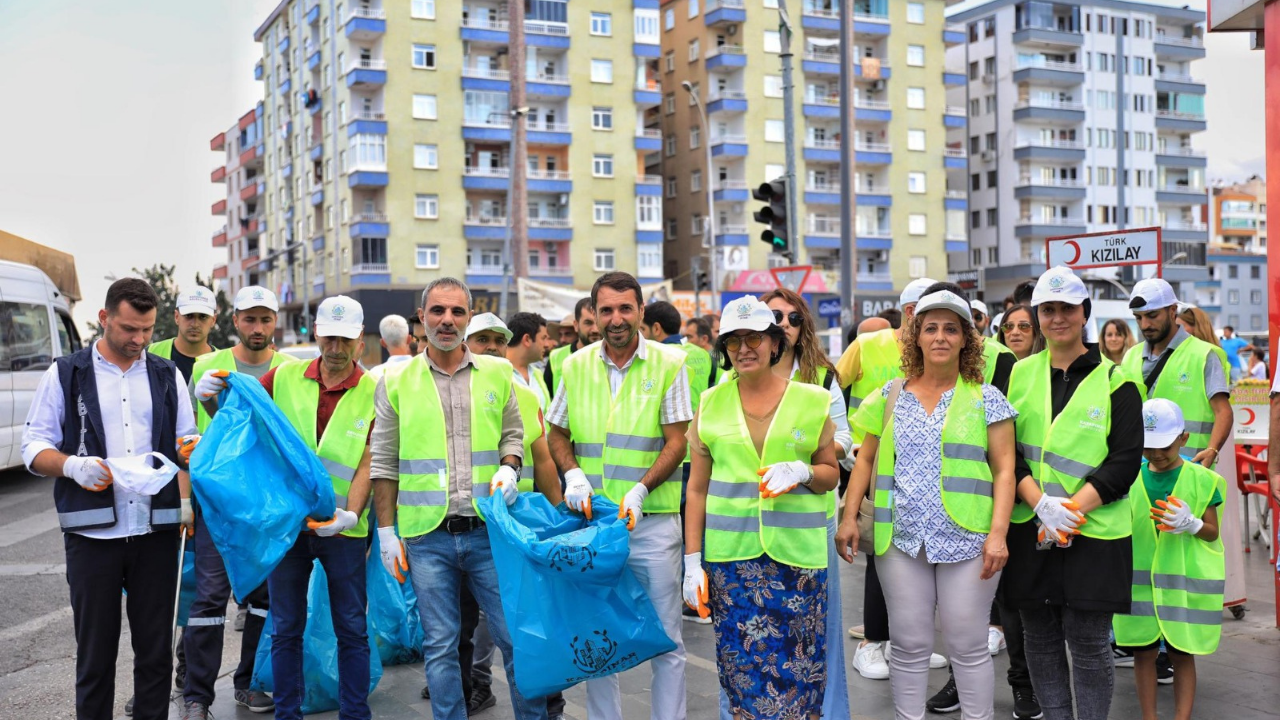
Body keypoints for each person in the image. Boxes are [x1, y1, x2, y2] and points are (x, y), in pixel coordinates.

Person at [836, 289, 1017, 720]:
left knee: (968, 645)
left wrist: (998, 535)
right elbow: (865, 458)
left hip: (969, 542)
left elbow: (1006, 470)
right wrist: (848, 516)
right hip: (902, 540)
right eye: (930, 328)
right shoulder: (890, 395)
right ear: (915, 336)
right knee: (910, 644)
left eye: (951, 329)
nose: (940, 337)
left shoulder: (986, 398)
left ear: (965, 340)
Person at [21, 277, 197, 720]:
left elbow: (185, 440)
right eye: (128, 329)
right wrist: (71, 466)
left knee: (155, 655)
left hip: (156, 532)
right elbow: (33, 447)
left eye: (147, 330)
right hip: (91, 534)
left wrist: (191, 454)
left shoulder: (166, 374)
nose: (139, 340)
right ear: (103, 318)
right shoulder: (67, 373)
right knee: (95, 658)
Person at [371, 278, 547, 720]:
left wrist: (510, 464)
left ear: (468, 319)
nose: (447, 320)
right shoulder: (397, 380)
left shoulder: (498, 372)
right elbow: (384, 462)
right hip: (427, 537)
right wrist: (388, 532)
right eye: (437, 311)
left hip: (490, 531)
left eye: (456, 312)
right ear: (422, 318)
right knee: (441, 644)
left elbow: (513, 433)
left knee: (515, 637)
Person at [215, 295, 376, 720]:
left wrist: (352, 514)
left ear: (361, 340)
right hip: (288, 529)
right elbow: (244, 414)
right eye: (328, 339)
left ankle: (355, 714)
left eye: (345, 340)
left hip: (342, 530)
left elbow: (370, 458)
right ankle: (287, 714)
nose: (336, 349)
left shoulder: (376, 391)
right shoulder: (283, 378)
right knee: (286, 628)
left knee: (352, 630)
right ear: (316, 335)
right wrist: (213, 395)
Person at [683, 296, 840, 720]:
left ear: (775, 343)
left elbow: (831, 473)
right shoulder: (710, 403)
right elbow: (696, 489)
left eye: (754, 337)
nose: (744, 348)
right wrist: (692, 561)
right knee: (742, 675)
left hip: (799, 562)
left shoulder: (811, 400)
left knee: (801, 674)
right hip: (732, 564)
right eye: (733, 341)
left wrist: (803, 472)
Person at [547, 272, 692, 720]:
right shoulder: (574, 365)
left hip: (651, 525)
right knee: (596, 639)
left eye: (625, 308)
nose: (615, 319)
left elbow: (677, 441)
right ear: (593, 314)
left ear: (641, 312)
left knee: (667, 638)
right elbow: (557, 433)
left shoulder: (670, 363)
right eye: (605, 310)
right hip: (595, 528)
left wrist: (642, 488)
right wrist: (572, 474)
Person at [1003, 266, 1143, 720]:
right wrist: (1041, 505)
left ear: (1085, 313)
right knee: (1039, 639)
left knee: (1088, 643)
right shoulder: (1018, 375)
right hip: (1031, 528)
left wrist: (1068, 511)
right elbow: (1005, 452)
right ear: (1038, 315)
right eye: (1048, 309)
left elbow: (1124, 461)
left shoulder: (1118, 381)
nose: (1057, 317)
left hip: (1096, 533)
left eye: (1067, 308)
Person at [182, 286, 297, 718]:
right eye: (250, 319)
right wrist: (206, 398)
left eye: (265, 319)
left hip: (266, 505)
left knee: (264, 597)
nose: (258, 328)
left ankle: (250, 683)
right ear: (234, 320)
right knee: (210, 597)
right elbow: (196, 439)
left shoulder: (290, 370)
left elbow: (287, 438)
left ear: (275, 321)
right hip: (218, 502)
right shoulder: (206, 368)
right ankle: (197, 696)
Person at [834, 277, 949, 681]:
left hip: (923, 471)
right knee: (876, 554)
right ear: (908, 312)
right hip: (872, 465)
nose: (933, 324)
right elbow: (834, 383)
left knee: (918, 558)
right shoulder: (868, 344)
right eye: (923, 312)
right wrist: (841, 438)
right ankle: (871, 643)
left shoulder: (938, 347)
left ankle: (904, 642)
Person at [460, 313, 564, 717]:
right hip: (460, 527)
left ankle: (549, 705)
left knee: (528, 624)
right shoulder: (447, 392)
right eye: (480, 339)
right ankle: (474, 685)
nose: (490, 347)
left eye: (497, 341)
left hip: (516, 529)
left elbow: (544, 463)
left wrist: (557, 523)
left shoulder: (524, 394)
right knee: (463, 626)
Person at [1113, 398, 1224, 720]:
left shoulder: (1202, 480)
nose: (1156, 454)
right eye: (1147, 447)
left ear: (1184, 438)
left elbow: (1212, 532)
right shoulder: (1129, 477)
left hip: (1181, 586)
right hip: (1140, 586)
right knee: (1144, 654)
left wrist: (1194, 524)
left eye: (1164, 445)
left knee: (1182, 653)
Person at [1122, 278, 1232, 468]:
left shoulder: (1204, 355)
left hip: (1190, 469)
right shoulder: (1131, 355)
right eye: (1138, 317)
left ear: (1172, 311)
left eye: (1152, 315)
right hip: (1140, 471)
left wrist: (1212, 451)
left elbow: (1223, 411)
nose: (1145, 324)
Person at [148, 285, 218, 384]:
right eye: (189, 316)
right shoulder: (150, 353)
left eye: (203, 317)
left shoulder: (226, 361)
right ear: (176, 317)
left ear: (213, 320)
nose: (195, 324)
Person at [544, 296, 600, 395]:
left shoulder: (617, 356)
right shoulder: (556, 357)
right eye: (588, 323)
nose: (595, 329)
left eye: (598, 322)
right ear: (576, 325)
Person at [505, 312, 555, 410]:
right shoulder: (498, 371)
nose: (547, 345)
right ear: (527, 339)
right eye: (543, 338)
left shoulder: (537, 374)